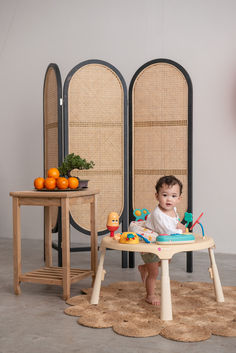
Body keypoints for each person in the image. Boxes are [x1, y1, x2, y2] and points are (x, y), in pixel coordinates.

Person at [138, 175, 186, 306]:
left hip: (162, 243)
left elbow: (173, 225)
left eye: (173, 196)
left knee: (166, 260)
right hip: (150, 245)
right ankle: (150, 295)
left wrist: (178, 225)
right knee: (154, 273)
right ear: (157, 196)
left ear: (179, 199)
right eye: (165, 195)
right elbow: (168, 231)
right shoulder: (158, 215)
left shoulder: (173, 209)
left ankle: (144, 267)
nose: (169, 199)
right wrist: (181, 229)